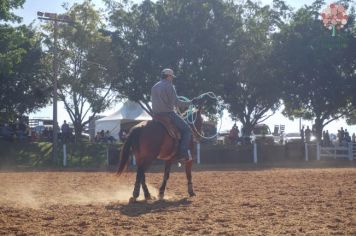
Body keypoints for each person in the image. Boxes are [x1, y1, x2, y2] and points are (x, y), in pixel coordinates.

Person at [151, 68, 201, 162]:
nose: (172, 79)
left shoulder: (154, 86)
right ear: (169, 76)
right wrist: (191, 102)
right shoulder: (169, 86)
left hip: (156, 115)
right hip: (168, 114)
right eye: (171, 77)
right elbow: (177, 102)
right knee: (187, 130)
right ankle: (183, 153)